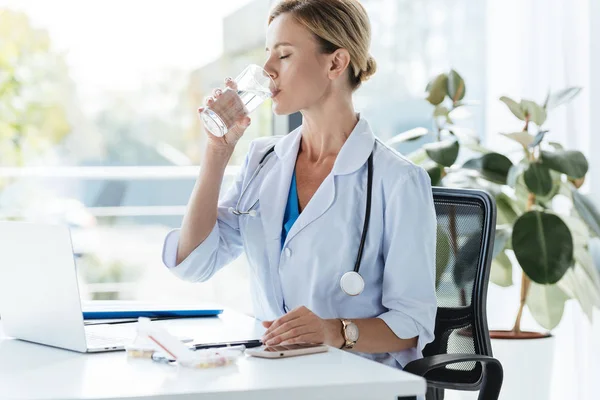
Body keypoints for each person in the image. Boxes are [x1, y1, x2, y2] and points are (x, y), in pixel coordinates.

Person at [162, 0, 437, 370]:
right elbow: (194, 263)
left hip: (357, 380)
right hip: (274, 373)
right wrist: (217, 153)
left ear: (335, 63)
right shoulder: (262, 161)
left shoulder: (398, 180)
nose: (267, 70)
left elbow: (413, 323)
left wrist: (336, 331)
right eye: (267, 54)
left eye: (284, 55)